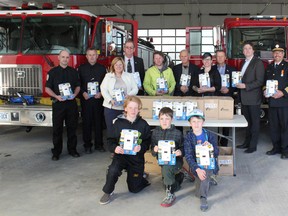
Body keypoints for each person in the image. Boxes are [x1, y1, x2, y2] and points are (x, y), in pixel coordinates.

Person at [99, 96, 151, 205]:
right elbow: (110, 140)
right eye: (130, 107)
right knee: (112, 170)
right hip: (121, 156)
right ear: (125, 108)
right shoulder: (118, 123)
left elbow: (147, 141)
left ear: (139, 109)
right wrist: (115, 148)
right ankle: (108, 191)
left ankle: (141, 177)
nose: (133, 110)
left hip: (136, 158)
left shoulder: (143, 124)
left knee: (134, 189)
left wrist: (141, 147)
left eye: (136, 108)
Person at [45, 50, 80, 161]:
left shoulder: (74, 72)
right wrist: (56, 96)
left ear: (69, 59)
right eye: (63, 57)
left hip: (71, 104)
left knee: (72, 128)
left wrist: (74, 94)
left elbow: (78, 86)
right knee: (57, 129)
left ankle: (72, 150)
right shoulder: (52, 72)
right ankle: (56, 152)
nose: (65, 59)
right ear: (59, 58)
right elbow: (47, 88)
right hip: (58, 104)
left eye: (67, 57)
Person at [184, 109, 219, 212]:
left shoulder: (210, 135)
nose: (196, 124)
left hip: (209, 164)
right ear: (190, 123)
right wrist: (197, 169)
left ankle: (204, 197)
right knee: (197, 193)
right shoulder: (188, 137)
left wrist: (211, 147)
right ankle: (207, 180)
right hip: (196, 165)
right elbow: (188, 156)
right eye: (193, 121)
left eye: (199, 121)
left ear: (203, 122)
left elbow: (217, 153)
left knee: (204, 176)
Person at [151, 107, 184, 207]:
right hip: (162, 161)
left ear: (172, 119)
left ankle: (170, 195)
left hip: (176, 162)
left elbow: (184, 148)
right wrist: (154, 150)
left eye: (167, 118)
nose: (164, 121)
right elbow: (152, 150)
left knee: (167, 174)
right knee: (166, 183)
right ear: (158, 119)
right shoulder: (155, 133)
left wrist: (180, 152)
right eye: (162, 119)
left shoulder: (178, 133)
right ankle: (178, 178)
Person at [236, 41, 265, 153]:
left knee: (254, 123)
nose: (247, 50)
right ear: (243, 51)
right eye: (245, 49)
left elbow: (259, 81)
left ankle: (253, 146)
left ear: (253, 50)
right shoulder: (244, 62)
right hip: (244, 98)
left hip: (253, 98)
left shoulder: (257, 63)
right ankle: (246, 142)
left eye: (249, 48)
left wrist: (245, 86)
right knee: (247, 122)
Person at [100, 57, 138, 137]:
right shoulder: (108, 76)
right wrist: (110, 100)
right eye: (116, 65)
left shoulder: (129, 76)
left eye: (120, 65)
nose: (118, 66)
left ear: (123, 65)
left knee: (124, 130)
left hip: (125, 108)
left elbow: (135, 88)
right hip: (111, 108)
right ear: (113, 66)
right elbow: (103, 89)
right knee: (111, 129)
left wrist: (128, 96)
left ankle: (124, 148)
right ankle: (113, 148)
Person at [78, 47, 107, 154]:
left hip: (98, 100)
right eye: (89, 55)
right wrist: (83, 93)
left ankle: (99, 145)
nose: (92, 57)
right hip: (86, 100)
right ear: (86, 56)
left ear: (97, 56)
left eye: (94, 55)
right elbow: (78, 84)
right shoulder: (81, 69)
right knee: (87, 123)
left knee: (99, 123)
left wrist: (101, 93)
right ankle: (87, 145)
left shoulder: (102, 69)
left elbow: (105, 85)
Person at [264, 45, 288, 159]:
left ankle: (285, 150)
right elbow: (264, 83)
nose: (277, 55)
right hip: (272, 102)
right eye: (275, 53)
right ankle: (276, 147)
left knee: (285, 127)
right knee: (274, 126)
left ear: (283, 54)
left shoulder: (287, 66)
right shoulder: (269, 67)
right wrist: (264, 91)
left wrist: (283, 93)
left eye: (279, 53)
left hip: (284, 102)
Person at [212, 50, 236, 146]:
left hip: (227, 97)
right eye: (218, 56)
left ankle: (224, 142)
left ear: (225, 57)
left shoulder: (232, 69)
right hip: (215, 96)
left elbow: (236, 84)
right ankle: (215, 140)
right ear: (216, 58)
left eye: (222, 56)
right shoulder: (212, 69)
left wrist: (229, 90)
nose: (220, 58)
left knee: (226, 120)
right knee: (215, 119)